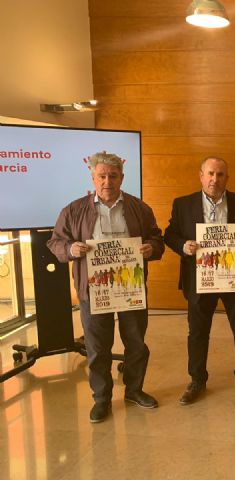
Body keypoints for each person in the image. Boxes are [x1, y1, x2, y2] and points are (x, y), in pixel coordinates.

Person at [47, 152, 164, 423]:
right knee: (98, 348)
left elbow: (156, 238)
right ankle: (102, 400)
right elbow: (55, 242)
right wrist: (71, 249)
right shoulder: (74, 210)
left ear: (122, 178)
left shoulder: (139, 208)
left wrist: (151, 248)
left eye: (113, 176)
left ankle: (134, 390)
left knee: (136, 343)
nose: (107, 181)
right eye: (101, 176)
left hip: (130, 288)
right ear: (93, 178)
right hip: (93, 291)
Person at [164, 156, 235, 404]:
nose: (214, 179)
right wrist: (183, 245)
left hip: (234, 277)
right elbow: (170, 234)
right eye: (210, 174)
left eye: (220, 175)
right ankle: (197, 379)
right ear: (201, 176)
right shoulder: (182, 204)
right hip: (200, 277)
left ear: (227, 178)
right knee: (197, 332)